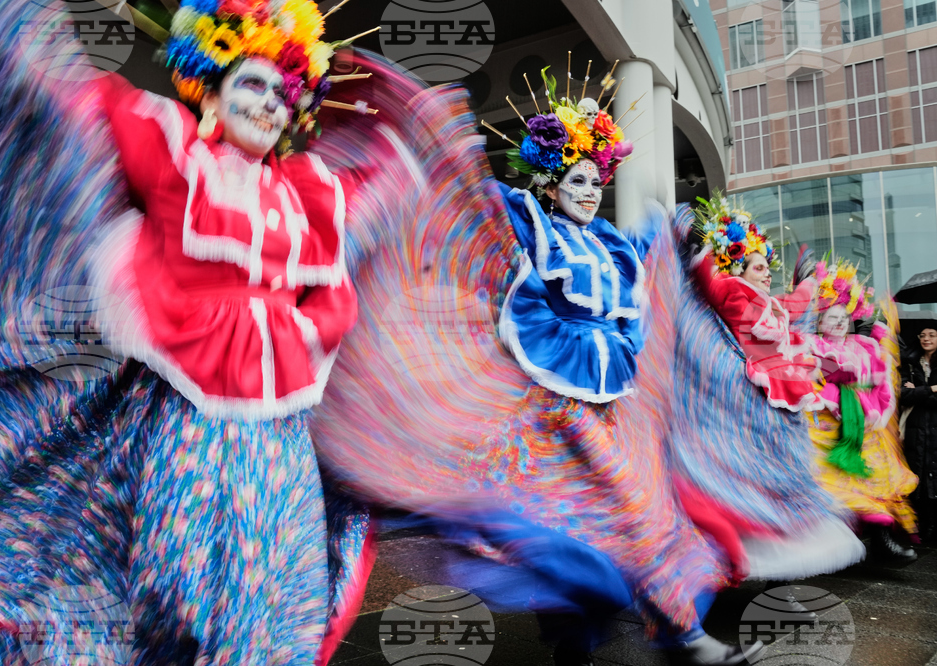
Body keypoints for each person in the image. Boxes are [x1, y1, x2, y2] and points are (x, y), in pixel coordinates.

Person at [0, 0, 387, 662]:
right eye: (249, 85)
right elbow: (62, 107)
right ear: (210, 91)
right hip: (180, 404)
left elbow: (358, 257)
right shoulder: (176, 152)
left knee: (270, 576)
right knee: (173, 564)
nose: (267, 104)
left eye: (279, 91)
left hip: (277, 426)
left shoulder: (311, 194)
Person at [310, 68, 762, 666]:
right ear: (551, 183)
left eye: (597, 180)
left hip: (611, 408)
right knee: (570, 528)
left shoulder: (612, 242)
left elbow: (637, 317)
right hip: (544, 407)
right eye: (577, 180)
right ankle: (595, 641)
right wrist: (449, 160)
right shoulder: (529, 222)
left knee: (642, 513)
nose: (590, 191)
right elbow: (473, 226)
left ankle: (678, 635)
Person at [665, 193, 865, 584]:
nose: (766, 273)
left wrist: (807, 281)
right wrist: (692, 244)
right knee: (740, 474)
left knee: (783, 473)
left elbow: (796, 304)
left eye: (767, 267)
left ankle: (777, 532)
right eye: (759, 266)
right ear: (740, 269)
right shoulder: (733, 292)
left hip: (777, 403)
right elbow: (704, 282)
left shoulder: (772, 304)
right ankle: (722, 550)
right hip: (746, 396)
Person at [807, 261, 918, 564]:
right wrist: (848, 377)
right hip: (828, 432)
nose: (840, 323)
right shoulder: (812, 346)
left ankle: (882, 543)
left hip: (866, 433)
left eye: (843, 317)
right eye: (833, 317)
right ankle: (827, 547)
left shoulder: (863, 346)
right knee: (831, 489)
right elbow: (825, 374)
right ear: (820, 321)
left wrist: (877, 408)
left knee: (877, 484)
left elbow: (880, 382)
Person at [902, 326, 937, 542]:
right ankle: (919, 524)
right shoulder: (910, 363)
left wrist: (917, 391)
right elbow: (903, 395)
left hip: (934, 426)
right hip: (915, 428)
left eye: (932, 335)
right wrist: (932, 389)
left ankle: (932, 526)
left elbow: (913, 394)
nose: (926, 339)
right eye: (922, 335)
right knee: (917, 474)